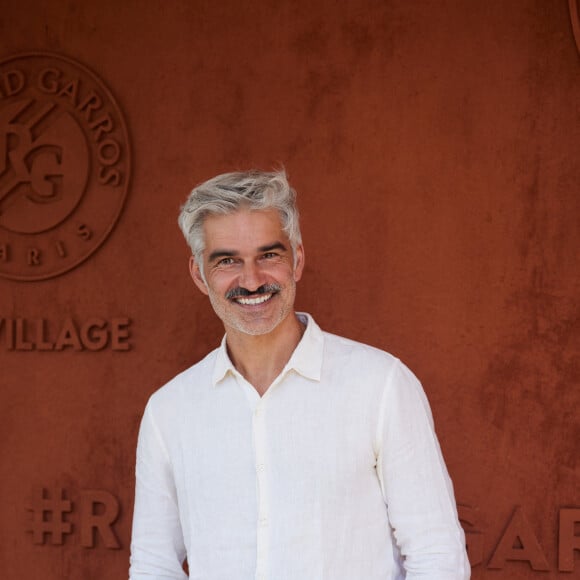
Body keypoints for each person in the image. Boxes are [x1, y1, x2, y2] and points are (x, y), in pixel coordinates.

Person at [129, 169, 471, 580]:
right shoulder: (170, 410)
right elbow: (154, 566)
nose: (251, 279)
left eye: (268, 255)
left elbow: (437, 557)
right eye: (227, 261)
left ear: (298, 260)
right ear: (199, 275)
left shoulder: (380, 386)